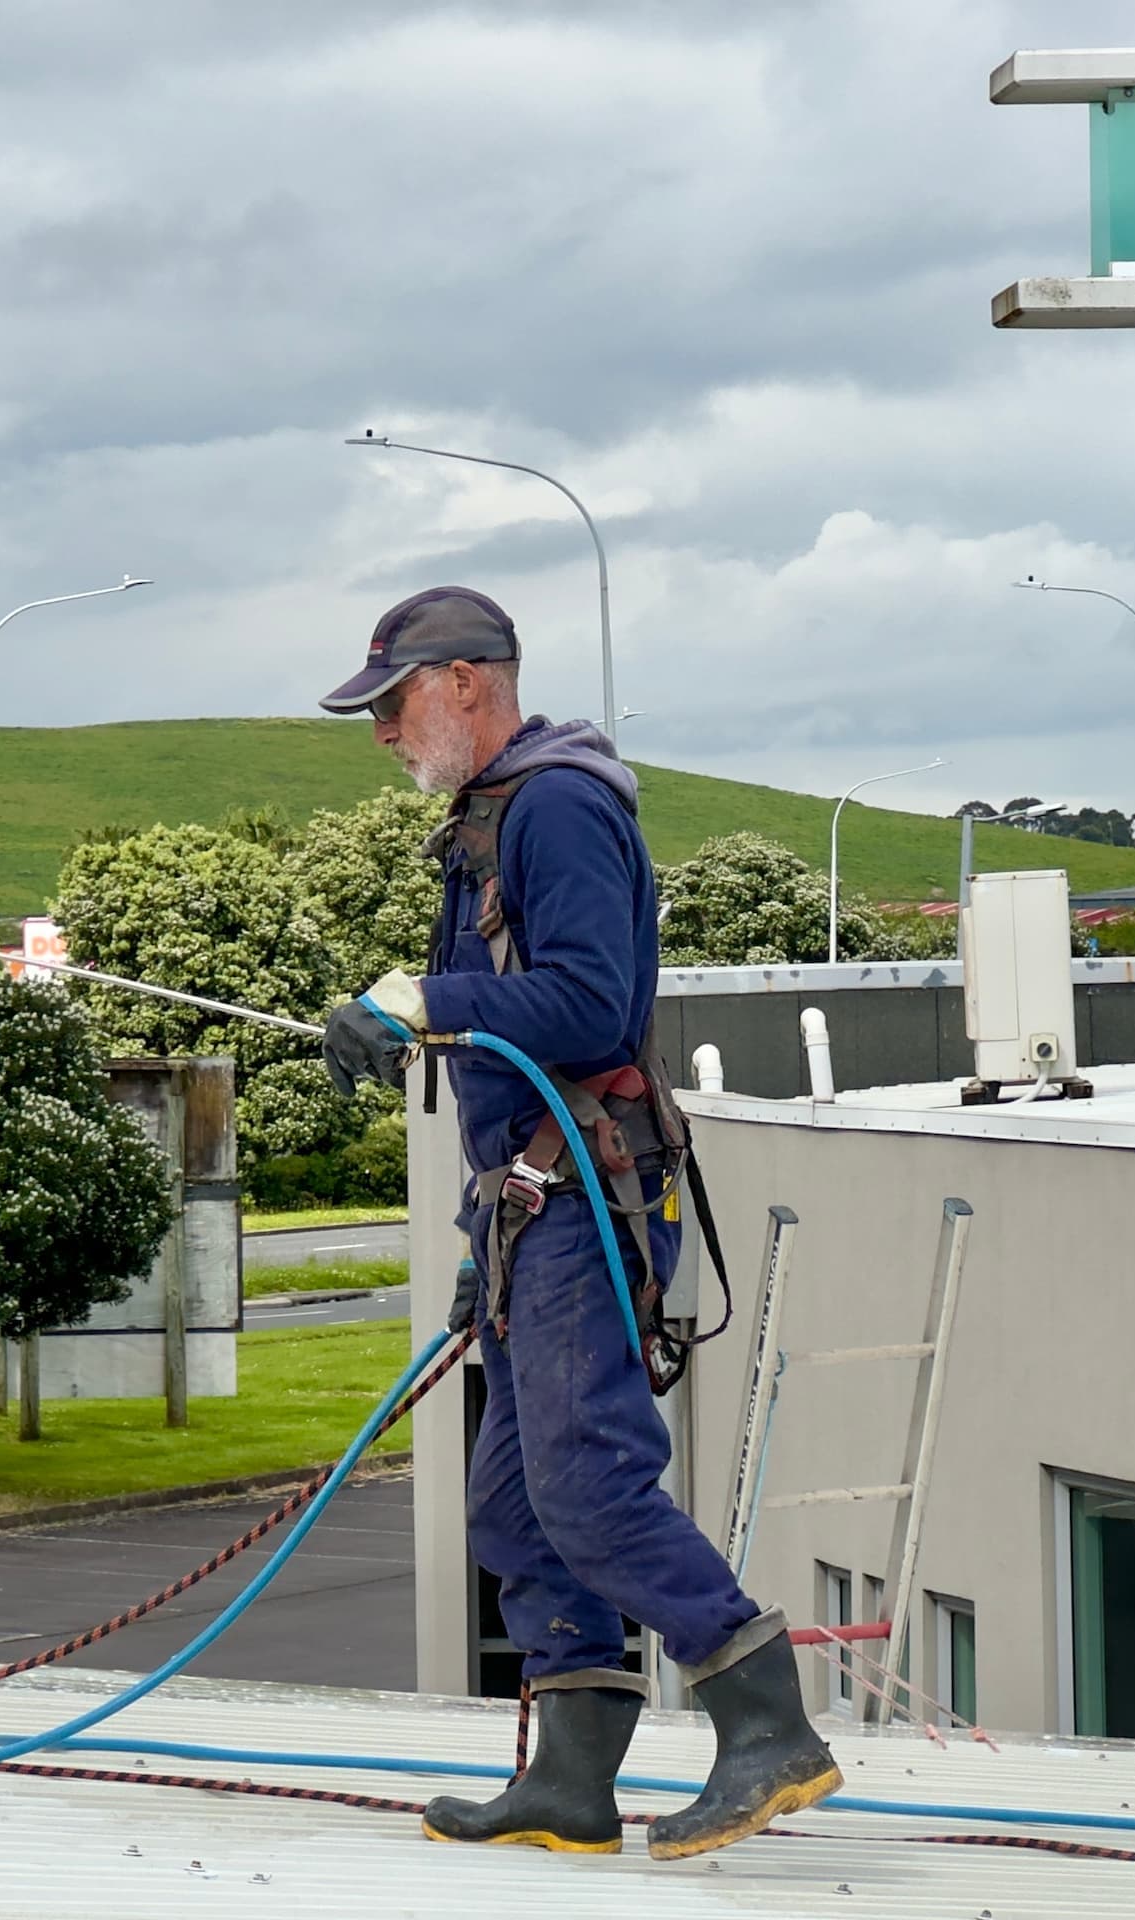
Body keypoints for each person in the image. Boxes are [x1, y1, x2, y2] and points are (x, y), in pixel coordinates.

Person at [315, 585, 839, 1862]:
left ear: (461, 683)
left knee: (588, 1488)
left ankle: (766, 1728)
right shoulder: (494, 817)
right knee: (510, 1501)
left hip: (578, 1201)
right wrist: (478, 1226)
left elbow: (588, 1007)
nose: (382, 731)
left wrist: (416, 1003)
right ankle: (570, 1777)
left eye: (390, 703)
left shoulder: (553, 805)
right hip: (527, 1208)